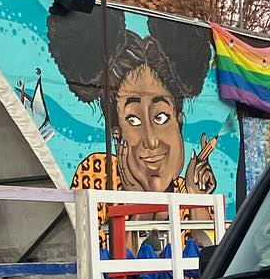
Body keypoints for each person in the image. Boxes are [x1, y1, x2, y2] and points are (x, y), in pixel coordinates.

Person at [71, 33, 217, 195]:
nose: (152, 141)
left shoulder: (187, 190)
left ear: (179, 122)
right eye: (133, 120)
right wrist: (133, 195)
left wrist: (196, 198)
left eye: (161, 117)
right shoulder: (97, 172)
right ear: (116, 133)